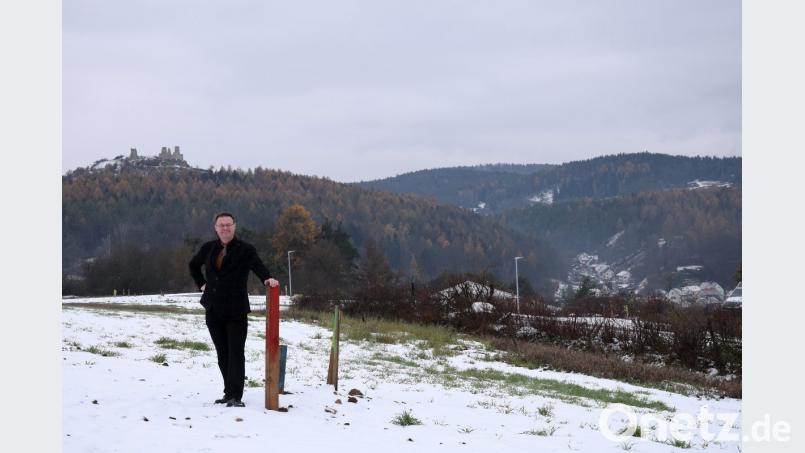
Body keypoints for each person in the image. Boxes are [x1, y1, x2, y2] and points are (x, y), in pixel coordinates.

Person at [189, 212, 279, 407]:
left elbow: (258, 266)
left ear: (234, 226)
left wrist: (267, 278)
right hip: (213, 309)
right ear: (216, 228)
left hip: (236, 310)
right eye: (221, 225)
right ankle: (228, 392)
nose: (225, 228)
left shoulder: (245, 250)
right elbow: (193, 265)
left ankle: (235, 396)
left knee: (235, 352)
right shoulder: (208, 248)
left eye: (228, 225)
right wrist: (201, 284)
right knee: (222, 353)